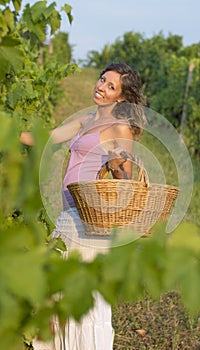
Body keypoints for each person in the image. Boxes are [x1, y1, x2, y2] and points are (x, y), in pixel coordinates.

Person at [20, 61, 146, 350]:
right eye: (102, 80)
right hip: (69, 214)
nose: (101, 87)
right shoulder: (87, 119)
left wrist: (117, 166)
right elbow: (48, 137)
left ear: (122, 97)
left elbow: (125, 179)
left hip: (92, 218)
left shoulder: (121, 127)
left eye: (111, 86)